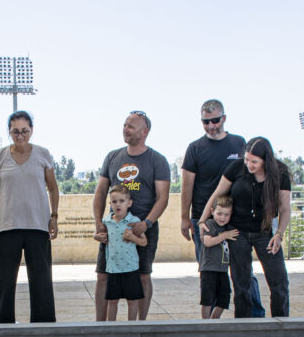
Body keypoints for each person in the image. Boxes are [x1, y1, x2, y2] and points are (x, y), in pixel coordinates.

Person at [180, 99, 264, 317]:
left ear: (224, 118)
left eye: (215, 120)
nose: (211, 126)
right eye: (206, 122)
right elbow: (187, 186)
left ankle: (253, 314)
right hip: (205, 220)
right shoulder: (195, 149)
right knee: (209, 272)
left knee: (244, 271)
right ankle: (210, 320)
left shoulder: (239, 143)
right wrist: (185, 218)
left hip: (236, 219)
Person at [199, 136, 292, 318]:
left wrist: (279, 234)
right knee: (241, 284)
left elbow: (285, 209)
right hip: (237, 232)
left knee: (279, 282)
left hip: (265, 232)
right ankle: (243, 325)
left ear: (266, 160)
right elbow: (217, 194)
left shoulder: (280, 173)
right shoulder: (236, 168)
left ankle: (281, 324)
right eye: (247, 159)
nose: (249, 164)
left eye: (254, 161)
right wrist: (202, 220)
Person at [93, 111, 170, 321]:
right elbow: (100, 192)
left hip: (143, 228)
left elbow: (163, 198)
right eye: (125, 125)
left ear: (144, 131)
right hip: (113, 229)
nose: (125, 129)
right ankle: (101, 327)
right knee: (103, 276)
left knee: (143, 276)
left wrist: (146, 223)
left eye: (131, 126)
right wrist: (99, 223)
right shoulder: (112, 157)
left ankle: (140, 325)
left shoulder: (157, 160)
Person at [0, 111, 59, 324]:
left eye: (24, 131)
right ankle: (3, 322)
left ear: (31, 130)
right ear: (9, 132)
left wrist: (54, 216)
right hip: (7, 225)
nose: (20, 136)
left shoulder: (43, 154)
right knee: (5, 280)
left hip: (38, 225)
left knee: (42, 279)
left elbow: (53, 188)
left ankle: (43, 324)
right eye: (15, 132)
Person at [99, 184, 148, 321]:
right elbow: (97, 234)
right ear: (110, 203)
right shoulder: (107, 220)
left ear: (129, 203)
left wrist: (132, 237)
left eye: (122, 201)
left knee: (132, 301)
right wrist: (98, 237)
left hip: (130, 268)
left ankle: (131, 327)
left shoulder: (134, 221)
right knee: (112, 301)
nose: (118, 204)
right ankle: (111, 328)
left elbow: (144, 242)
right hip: (113, 268)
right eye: (114, 201)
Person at [199, 195, 239, 319]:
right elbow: (207, 242)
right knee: (207, 298)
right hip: (209, 268)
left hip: (222, 269)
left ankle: (214, 319)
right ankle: (205, 323)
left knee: (224, 298)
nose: (222, 217)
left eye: (226, 214)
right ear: (212, 211)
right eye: (219, 213)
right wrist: (224, 235)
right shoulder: (210, 224)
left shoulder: (227, 226)